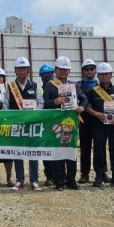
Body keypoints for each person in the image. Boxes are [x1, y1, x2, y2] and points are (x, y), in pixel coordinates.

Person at [42, 56, 88, 190]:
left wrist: (82, 108)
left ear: (69, 71)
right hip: (56, 123)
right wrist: (54, 102)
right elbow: (44, 104)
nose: (63, 71)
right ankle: (59, 181)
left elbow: (84, 99)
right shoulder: (49, 85)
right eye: (60, 69)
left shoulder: (74, 85)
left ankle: (71, 180)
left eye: (66, 69)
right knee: (58, 153)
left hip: (72, 123)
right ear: (55, 70)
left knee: (71, 151)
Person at [85, 63, 114, 188]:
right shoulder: (93, 91)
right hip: (99, 125)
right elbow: (87, 107)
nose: (104, 77)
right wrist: (96, 114)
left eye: (106, 74)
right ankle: (99, 176)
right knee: (99, 150)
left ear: (111, 75)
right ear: (98, 75)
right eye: (101, 74)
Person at [7, 57, 44, 191]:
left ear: (28, 70)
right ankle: (20, 181)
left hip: (31, 125)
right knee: (18, 152)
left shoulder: (34, 86)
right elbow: (6, 106)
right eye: (19, 69)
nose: (21, 71)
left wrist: (35, 114)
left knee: (33, 153)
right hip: (16, 125)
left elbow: (41, 102)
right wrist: (11, 118)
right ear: (15, 71)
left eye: (24, 68)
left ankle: (34, 181)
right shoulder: (10, 87)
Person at [38, 63, 56, 186]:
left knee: (57, 150)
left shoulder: (58, 87)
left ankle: (59, 175)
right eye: (43, 74)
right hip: (45, 123)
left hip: (57, 122)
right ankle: (49, 176)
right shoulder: (39, 89)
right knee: (46, 151)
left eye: (48, 74)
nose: (46, 76)